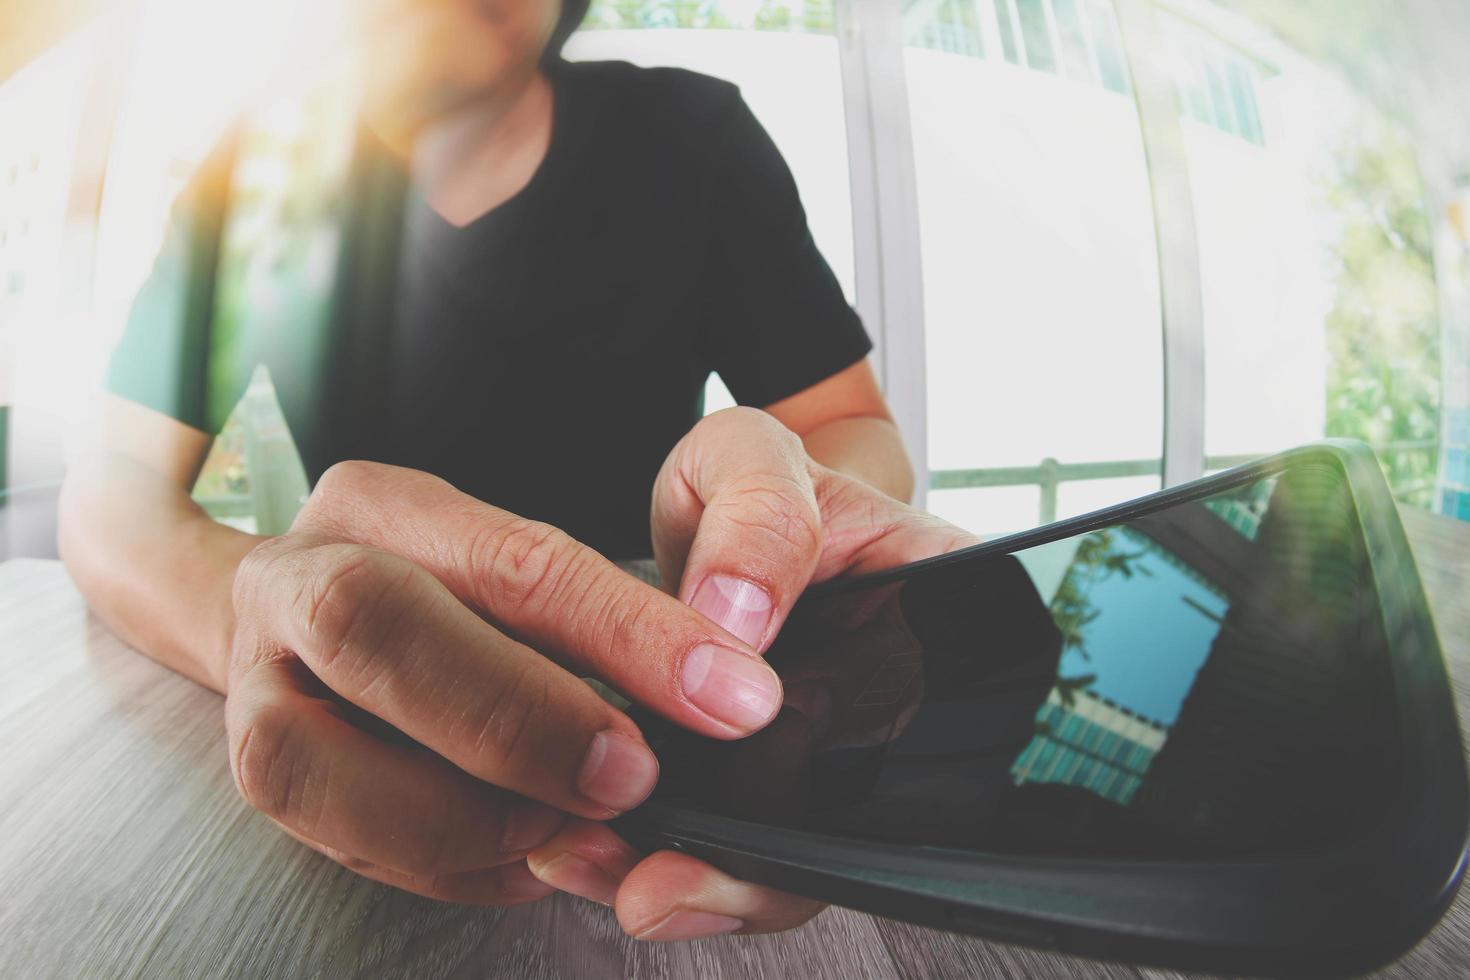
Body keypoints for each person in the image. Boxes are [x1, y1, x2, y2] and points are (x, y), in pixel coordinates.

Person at [57, 0, 975, 942]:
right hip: (363, 766)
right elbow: (112, 483)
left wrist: (776, 544)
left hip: (677, 735)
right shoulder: (251, 172)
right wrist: (260, 618)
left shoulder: (694, 138)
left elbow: (848, 421)